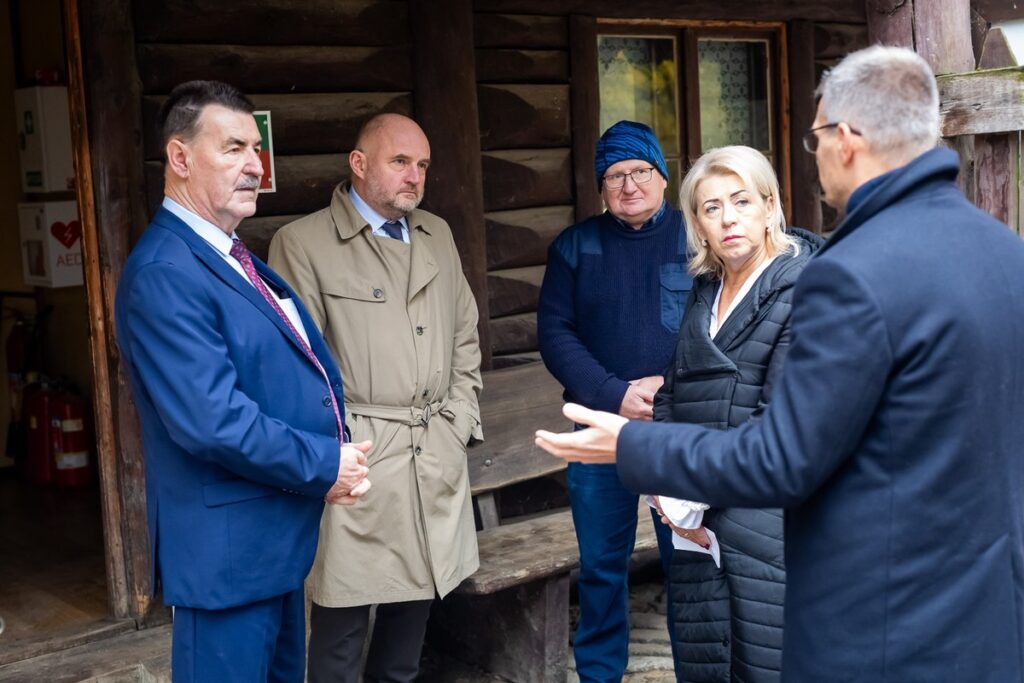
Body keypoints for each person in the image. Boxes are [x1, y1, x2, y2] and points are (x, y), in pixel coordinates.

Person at [536, 45, 1024, 682]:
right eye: (710, 208)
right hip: (981, 603)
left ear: (846, 139)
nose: (813, 152)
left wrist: (635, 445)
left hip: (881, 612)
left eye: (815, 135)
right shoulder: (1004, 250)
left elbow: (783, 458)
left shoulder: (847, 273)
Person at [115, 80, 371, 683]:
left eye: (256, 149)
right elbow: (213, 420)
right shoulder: (164, 271)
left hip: (270, 545)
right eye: (233, 149)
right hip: (225, 559)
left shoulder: (230, 254)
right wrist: (322, 462)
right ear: (180, 158)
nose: (255, 166)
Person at [268, 113, 483, 683]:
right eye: (399, 162)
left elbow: (465, 335)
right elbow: (297, 368)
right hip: (357, 463)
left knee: (407, 638)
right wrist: (334, 454)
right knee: (339, 633)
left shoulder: (438, 233)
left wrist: (457, 420)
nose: (414, 176)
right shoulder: (302, 243)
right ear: (359, 164)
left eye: (422, 166)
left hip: (432, 453)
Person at [651, 145, 822, 683]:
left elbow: (779, 422)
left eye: (742, 201)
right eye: (711, 207)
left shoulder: (805, 288)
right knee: (709, 662)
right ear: (697, 225)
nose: (728, 219)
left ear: (770, 206)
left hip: (765, 519)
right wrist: (665, 488)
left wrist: (687, 497)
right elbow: (671, 392)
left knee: (765, 664)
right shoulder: (706, 289)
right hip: (696, 522)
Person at [536, 120, 685, 682]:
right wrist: (614, 395)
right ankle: (601, 674)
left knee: (689, 560)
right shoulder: (575, 247)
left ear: (663, 177)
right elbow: (555, 334)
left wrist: (668, 387)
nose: (629, 185)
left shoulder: (695, 237)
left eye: (640, 171)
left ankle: (695, 667)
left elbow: (718, 324)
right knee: (601, 565)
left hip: (680, 427)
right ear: (601, 187)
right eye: (615, 175)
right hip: (597, 431)